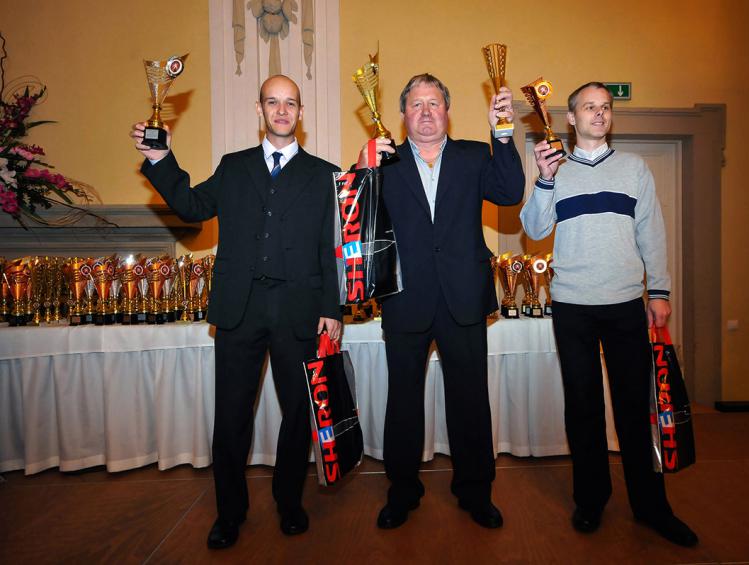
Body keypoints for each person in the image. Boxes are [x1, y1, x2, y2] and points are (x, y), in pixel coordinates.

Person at [130, 75, 342, 549]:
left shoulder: (325, 174)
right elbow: (192, 206)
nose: (282, 111)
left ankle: (290, 502)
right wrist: (160, 158)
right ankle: (230, 513)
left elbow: (330, 247)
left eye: (290, 103)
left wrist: (332, 307)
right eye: (273, 102)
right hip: (239, 310)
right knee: (230, 417)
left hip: (300, 311)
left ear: (301, 112)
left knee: (298, 415)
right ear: (259, 109)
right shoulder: (233, 166)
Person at [519, 82, 698, 547]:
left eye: (605, 107)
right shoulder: (555, 168)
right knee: (583, 409)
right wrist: (544, 179)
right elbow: (533, 229)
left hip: (625, 305)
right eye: (589, 107)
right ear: (571, 118)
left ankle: (651, 506)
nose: (599, 114)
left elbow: (651, 232)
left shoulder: (634, 168)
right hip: (573, 306)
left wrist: (659, 291)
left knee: (634, 409)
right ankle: (590, 500)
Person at [356, 74, 524, 530]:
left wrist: (503, 133)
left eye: (434, 103)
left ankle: (476, 492)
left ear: (447, 111)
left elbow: (510, 193)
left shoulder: (475, 155)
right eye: (416, 104)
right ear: (402, 115)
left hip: (463, 298)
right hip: (404, 301)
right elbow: (355, 219)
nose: (426, 112)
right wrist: (360, 169)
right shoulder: (384, 162)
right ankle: (402, 492)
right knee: (403, 403)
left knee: (470, 402)